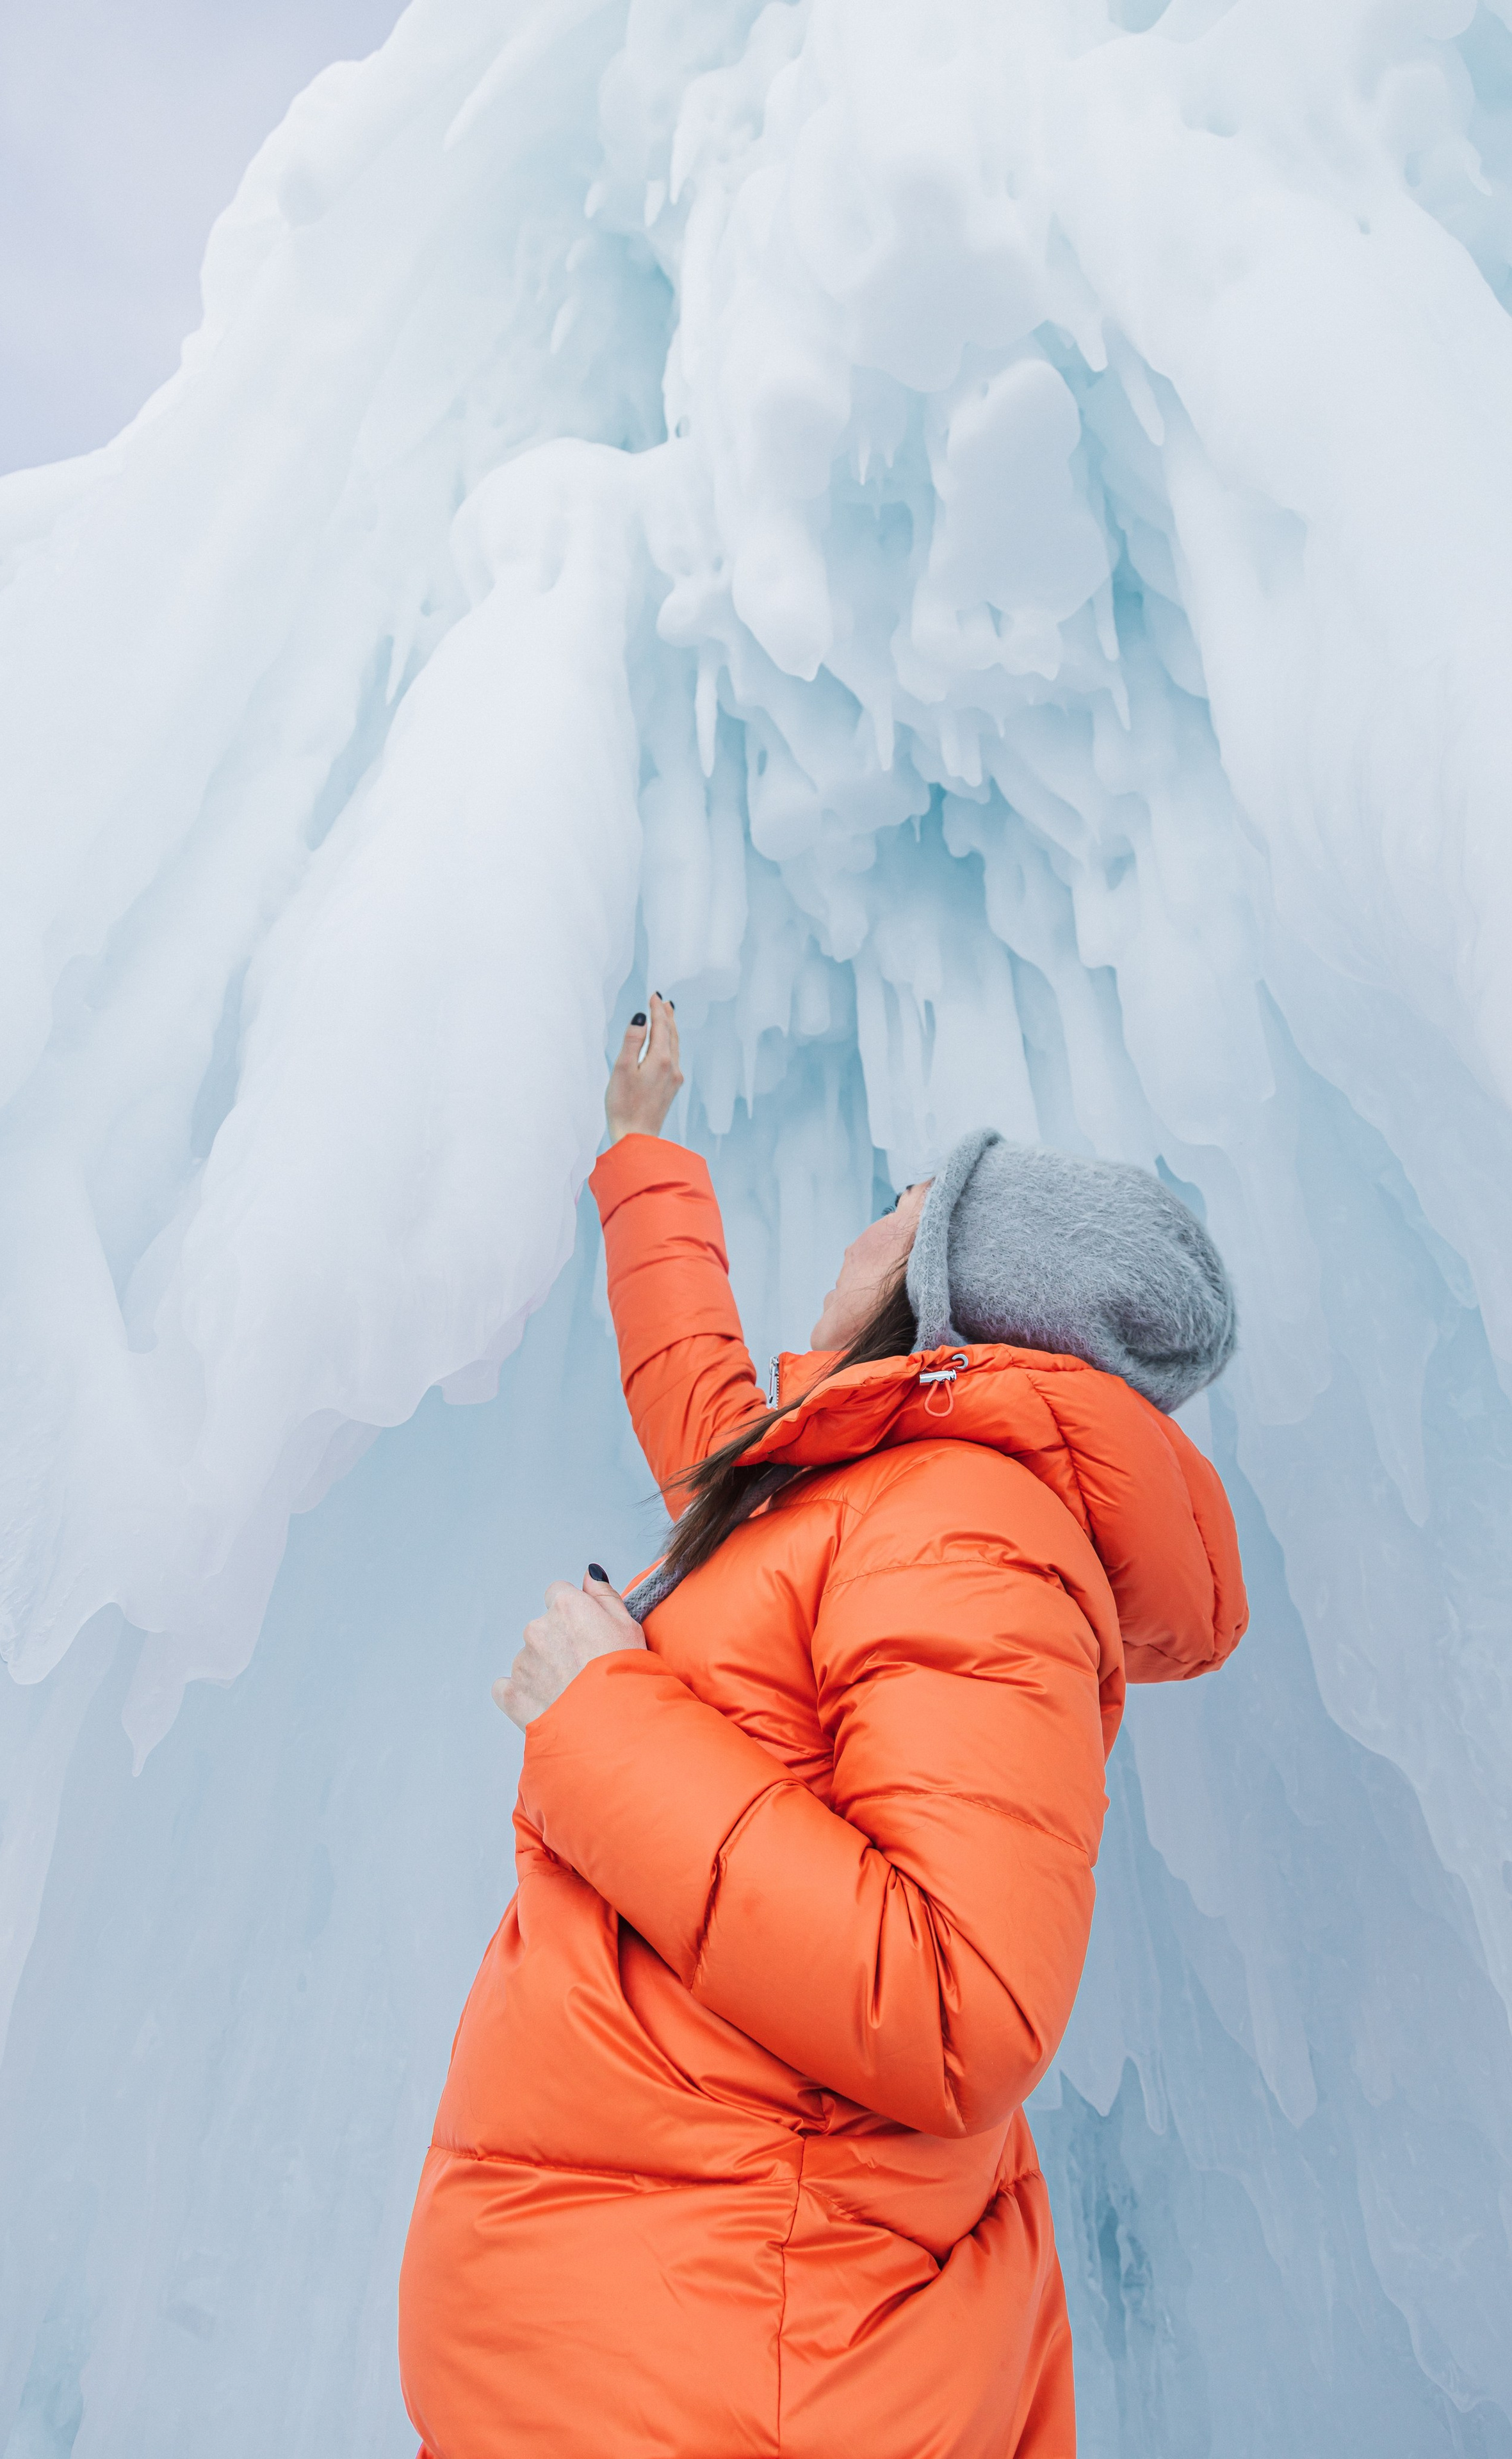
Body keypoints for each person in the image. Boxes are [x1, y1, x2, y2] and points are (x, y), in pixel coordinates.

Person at [400, 993, 1247, 2459]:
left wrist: (603, 1722)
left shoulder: (974, 1531)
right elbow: (714, 1450)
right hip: (674, 2306)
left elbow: (959, 2002)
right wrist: (639, 1158)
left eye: (903, 1207)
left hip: (713, 2343)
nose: (866, 1227)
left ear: (949, 1284)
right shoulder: (890, 1489)